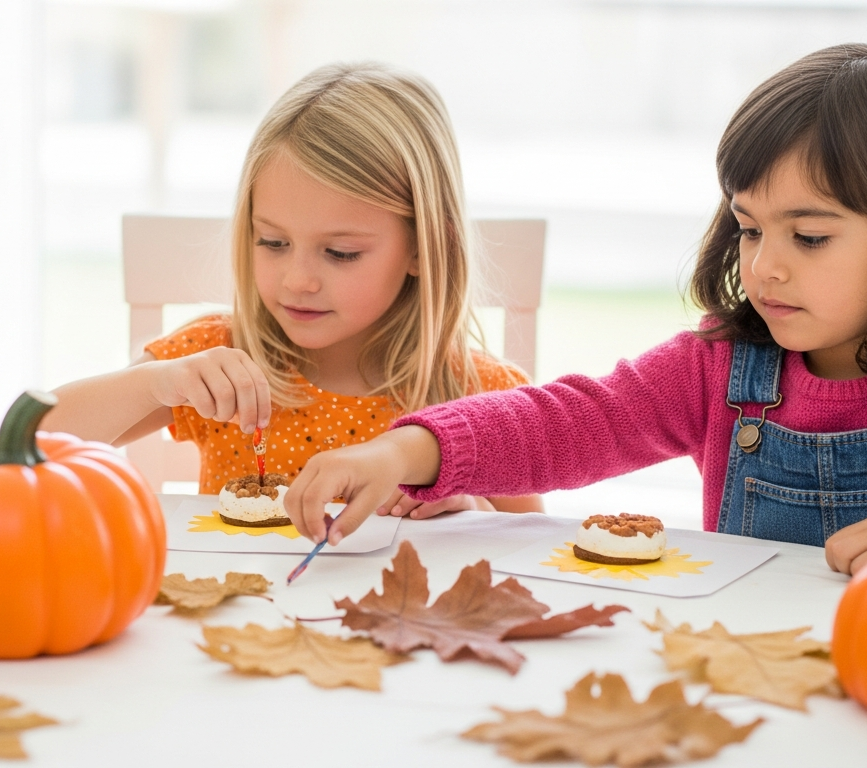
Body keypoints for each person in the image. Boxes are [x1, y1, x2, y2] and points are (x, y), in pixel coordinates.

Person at [285, 42, 867, 575]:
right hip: (746, 678)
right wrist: (402, 449)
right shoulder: (718, 367)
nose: (764, 265)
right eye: (749, 228)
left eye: (809, 236)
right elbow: (574, 420)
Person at [41, 62, 540, 515]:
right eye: (273, 242)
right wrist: (153, 383)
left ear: (422, 248)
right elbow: (27, 446)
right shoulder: (219, 358)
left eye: (341, 253)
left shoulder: (482, 395)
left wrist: (475, 518)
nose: (297, 280)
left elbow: (530, 558)